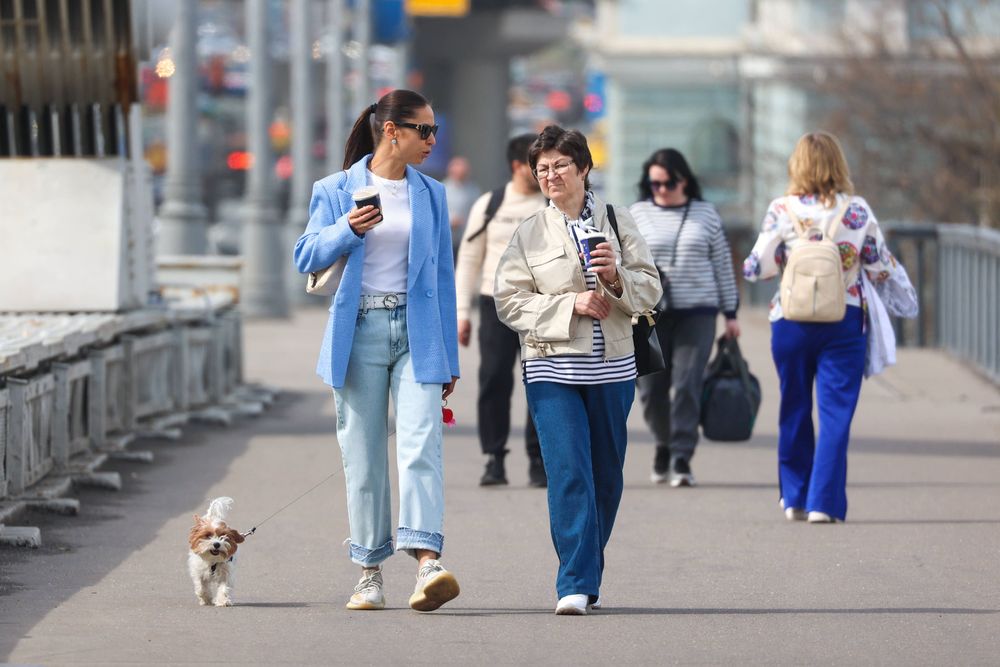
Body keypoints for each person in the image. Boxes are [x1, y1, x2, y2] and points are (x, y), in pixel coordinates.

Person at [293, 89, 461, 611]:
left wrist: (449, 357)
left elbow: (442, 277)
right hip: (359, 330)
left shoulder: (431, 193)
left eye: (435, 131)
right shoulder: (337, 188)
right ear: (393, 131)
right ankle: (369, 571)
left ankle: (426, 563)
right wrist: (346, 228)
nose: (433, 140)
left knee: (420, 446)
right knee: (363, 456)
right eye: (424, 131)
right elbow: (305, 256)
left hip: (419, 335)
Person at [494, 125, 661, 615]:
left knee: (606, 476)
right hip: (550, 367)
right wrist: (570, 305)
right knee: (569, 473)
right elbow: (509, 301)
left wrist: (614, 278)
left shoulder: (617, 219)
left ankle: (588, 568)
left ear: (584, 168)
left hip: (612, 367)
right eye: (542, 169)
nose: (551, 176)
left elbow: (650, 290)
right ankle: (573, 582)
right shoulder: (528, 231)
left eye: (560, 166)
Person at [742, 131, 901, 524]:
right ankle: (823, 503)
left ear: (797, 165)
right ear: (838, 164)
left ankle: (794, 496)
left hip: (791, 322)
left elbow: (755, 267)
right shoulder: (857, 210)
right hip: (844, 320)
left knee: (794, 406)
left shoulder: (782, 208)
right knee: (835, 414)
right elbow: (880, 265)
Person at [629, 149, 741, 487]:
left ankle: (681, 455)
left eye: (668, 182)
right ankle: (663, 442)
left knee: (688, 384)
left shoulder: (705, 214)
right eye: (654, 184)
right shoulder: (637, 213)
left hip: (698, 312)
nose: (661, 190)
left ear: (684, 180)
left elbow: (722, 263)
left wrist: (731, 313)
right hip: (650, 315)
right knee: (650, 389)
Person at [455, 133, 547, 488]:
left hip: (539, 304)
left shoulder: (550, 205)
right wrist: (462, 312)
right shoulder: (490, 204)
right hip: (494, 305)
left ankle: (539, 459)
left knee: (540, 381)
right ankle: (494, 457)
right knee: (494, 379)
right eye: (535, 164)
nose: (543, 172)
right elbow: (468, 260)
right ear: (517, 166)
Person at [443, 156, 482, 258]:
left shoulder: (473, 190)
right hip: (446, 238)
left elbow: (478, 211)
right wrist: (451, 220)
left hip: (465, 237)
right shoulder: (442, 188)